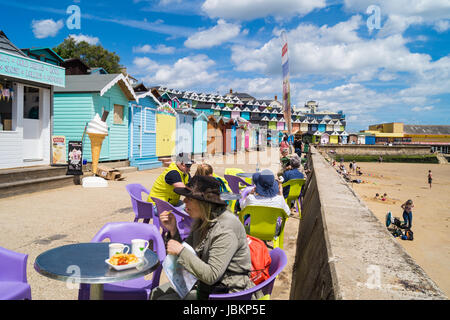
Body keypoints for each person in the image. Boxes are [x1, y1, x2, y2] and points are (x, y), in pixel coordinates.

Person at [151, 175, 260, 300]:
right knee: (156, 293)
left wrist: (180, 251)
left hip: (227, 291)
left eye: (189, 198)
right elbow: (188, 250)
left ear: (203, 203)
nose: (184, 201)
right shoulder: (201, 220)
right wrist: (173, 230)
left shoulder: (226, 228)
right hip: (205, 283)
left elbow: (211, 275)